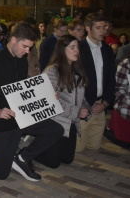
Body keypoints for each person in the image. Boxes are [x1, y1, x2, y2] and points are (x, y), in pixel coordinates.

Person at [0, 22, 63, 181]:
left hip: (21, 116)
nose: (28, 51)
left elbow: (22, 89)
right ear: (13, 40)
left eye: (30, 47)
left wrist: (47, 96)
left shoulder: (22, 59)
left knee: (55, 130)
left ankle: (22, 158)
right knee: (0, 172)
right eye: (25, 46)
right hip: (1, 123)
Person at [36, 35, 89, 168]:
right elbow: (49, 102)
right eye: (72, 47)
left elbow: (80, 96)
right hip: (55, 122)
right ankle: (28, 150)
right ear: (62, 49)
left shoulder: (78, 70)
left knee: (67, 159)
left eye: (77, 47)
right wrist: (77, 112)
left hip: (70, 123)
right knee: (53, 163)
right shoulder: (52, 71)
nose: (76, 50)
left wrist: (85, 108)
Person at [77, 14, 115, 152]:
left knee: (94, 147)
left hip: (100, 105)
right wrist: (84, 104)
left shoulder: (107, 49)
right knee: (78, 149)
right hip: (83, 106)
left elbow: (111, 79)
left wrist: (105, 103)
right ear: (88, 28)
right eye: (98, 28)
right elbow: (73, 80)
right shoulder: (78, 48)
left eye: (104, 27)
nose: (103, 31)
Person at [105, 51, 130, 148]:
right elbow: (117, 88)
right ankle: (106, 131)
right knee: (126, 143)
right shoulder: (127, 64)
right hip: (127, 110)